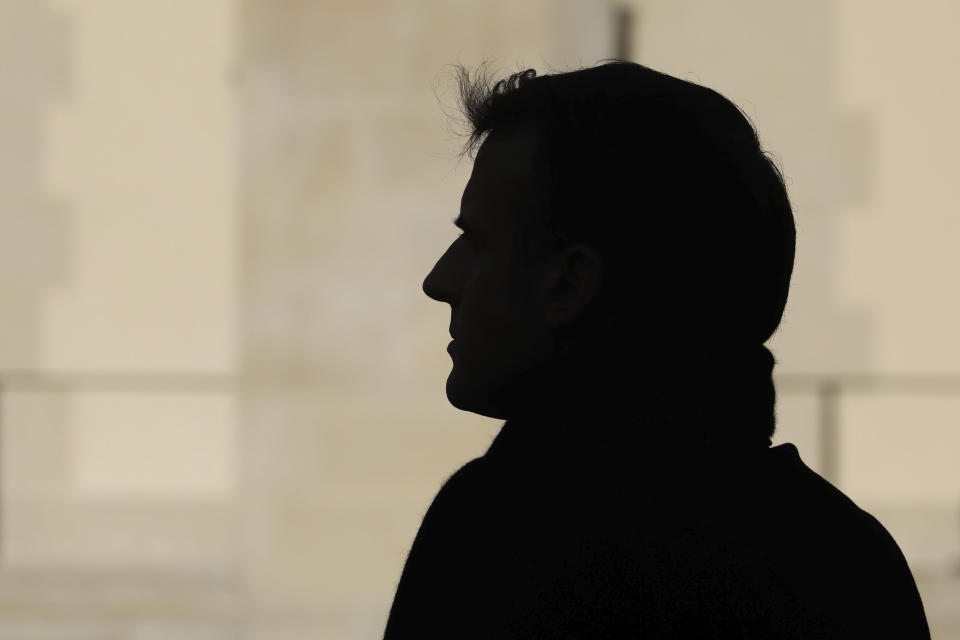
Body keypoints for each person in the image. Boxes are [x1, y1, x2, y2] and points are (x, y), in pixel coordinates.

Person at [383, 61, 930, 639]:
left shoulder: (500, 536)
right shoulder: (849, 561)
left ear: (568, 284)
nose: (439, 279)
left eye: (476, 241)